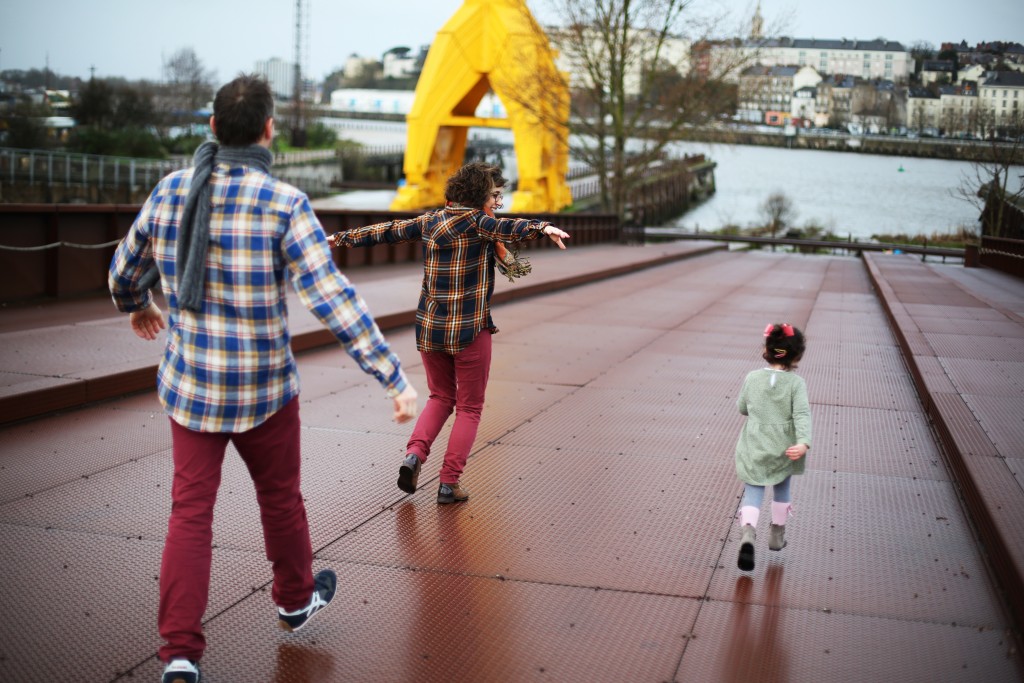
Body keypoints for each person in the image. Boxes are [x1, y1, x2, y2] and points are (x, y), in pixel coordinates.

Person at [108, 74, 418, 683]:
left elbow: (124, 271)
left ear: (213, 128)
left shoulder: (171, 192)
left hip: (192, 386)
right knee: (280, 498)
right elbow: (332, 299)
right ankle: (296, 600)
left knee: (189, 512)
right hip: (264, 389)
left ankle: (178, 655)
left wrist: (139, 303)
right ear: (269, 131)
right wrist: (391, 377)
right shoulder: (284, 204)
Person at [332, 162, 570, 505]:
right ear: (479, 197)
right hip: (470, 330)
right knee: (470, 407)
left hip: (430, 330)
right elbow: (512, 227)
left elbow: (386, 230)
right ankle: (448, 483)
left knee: (440, 397)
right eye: (494, 196)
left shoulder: (429, 221)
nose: (496, 203)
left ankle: (413, 455)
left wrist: (339, 238)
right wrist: (544, 227)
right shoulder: (479, 222)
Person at [734, 323, 811, 572]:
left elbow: (742, 408)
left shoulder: (752, 378)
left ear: (766, 350)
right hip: (784, 446)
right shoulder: (796, 384)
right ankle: (777, 535)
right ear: (796, 355)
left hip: (754, 444)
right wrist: (802, 442)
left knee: (753, 491)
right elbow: (801, 415)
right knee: (782, 488)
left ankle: (748, 533)